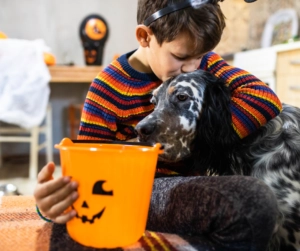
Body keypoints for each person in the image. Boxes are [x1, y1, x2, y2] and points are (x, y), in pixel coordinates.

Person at [34, 0, 282, 250]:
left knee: (258, 201)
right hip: (139, 191)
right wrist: (52, 204)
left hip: (194, 188)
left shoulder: (205, 63)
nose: (191, 68)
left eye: (199, 57)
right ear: (144, 36)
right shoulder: (106, 89)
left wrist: (194, 143)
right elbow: (87, 170)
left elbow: (263, 98)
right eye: (180, 56)